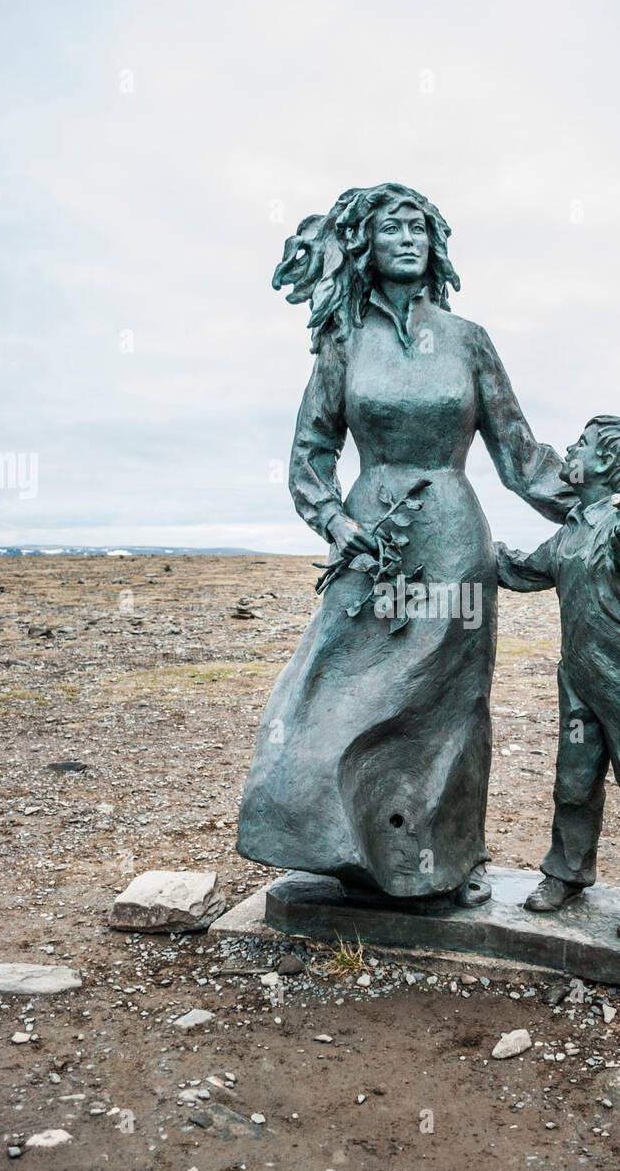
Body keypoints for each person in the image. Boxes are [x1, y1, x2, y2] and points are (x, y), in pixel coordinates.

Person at [237, 184, 575, 906]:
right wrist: (334, 522)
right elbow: (310, 451)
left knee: (446, 707)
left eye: (419, 227)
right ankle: (339, 847)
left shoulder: (467, 340)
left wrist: (592, 505)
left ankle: (444, 862)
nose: (408, 238)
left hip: (453, 539)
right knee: (335, 693)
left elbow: (519, 454)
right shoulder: (342, 341)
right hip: (369, 548)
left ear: (436, 244)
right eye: (391, 227)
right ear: (365, 244)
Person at [495, 416, 620, 941]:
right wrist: (461, 539)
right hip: (578, 680)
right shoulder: (571, 530)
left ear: (606, 463)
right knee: (574, 782)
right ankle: (567, 872)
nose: (569, 450)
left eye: (580, 445)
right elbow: (517, 570)